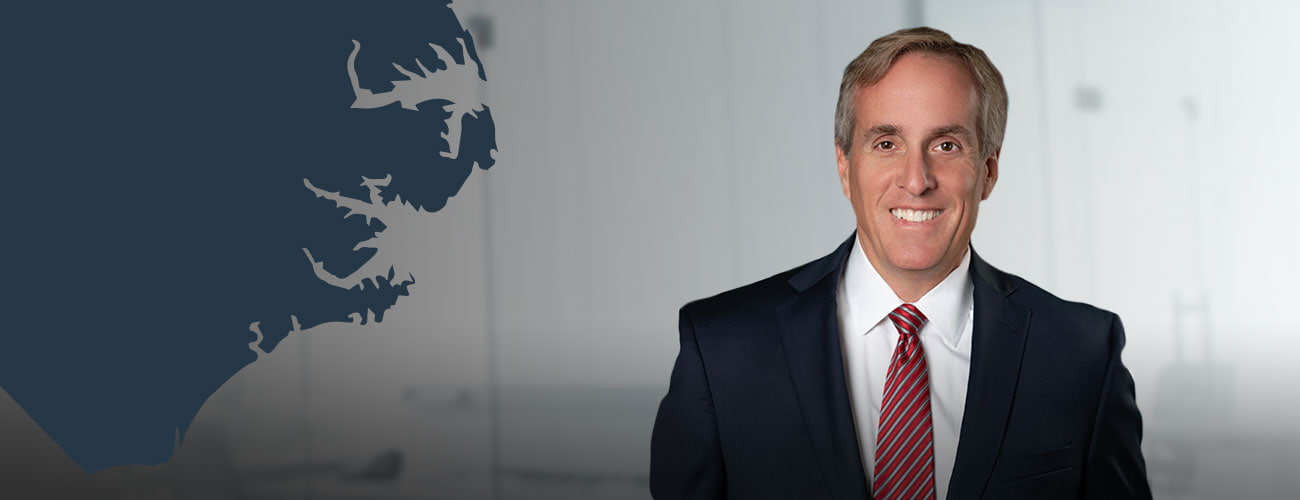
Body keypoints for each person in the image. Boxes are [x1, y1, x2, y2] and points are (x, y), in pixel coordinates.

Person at [650, 27, 1150, 499]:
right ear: (845, 167)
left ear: (989, 172)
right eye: (886, 143)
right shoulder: (721, 349)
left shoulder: (1082, 353)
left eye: (946, 145)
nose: (916, 179)